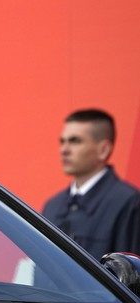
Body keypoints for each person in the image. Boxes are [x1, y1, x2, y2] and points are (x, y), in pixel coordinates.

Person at [42, 109, 140, 260]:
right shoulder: (52, 206)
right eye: (62, 141)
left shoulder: (129, 203)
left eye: (75, 141)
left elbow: (131, 277)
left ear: (103, 150)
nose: (64, 150)